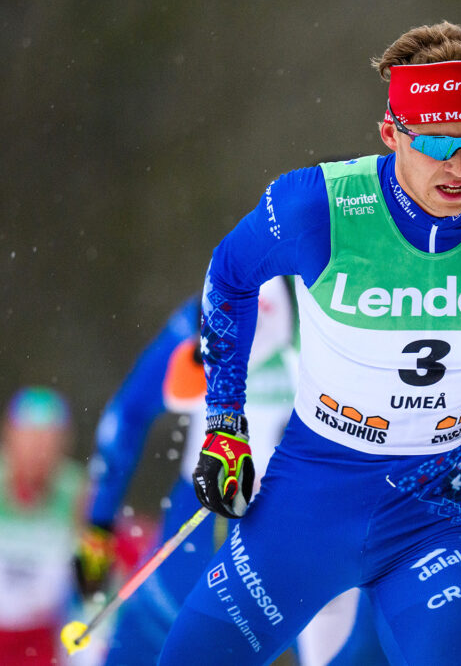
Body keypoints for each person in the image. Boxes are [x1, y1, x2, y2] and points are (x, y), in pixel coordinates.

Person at [156, 20, 461, 665]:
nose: (460, 166)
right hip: (309, 499)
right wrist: (226, 426)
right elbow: (230, 277)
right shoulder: (319, 207)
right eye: (437, 142)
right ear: (392, 133)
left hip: (434, 511)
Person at [73, 277, 303, 664]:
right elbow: (131, 411)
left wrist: (100, 520)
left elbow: (127, 413)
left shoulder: (328, 315)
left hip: (274, 521)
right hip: (204, 514)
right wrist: (98, 525)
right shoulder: (209, 306)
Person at [0, 386, 86, 665]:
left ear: (63, 445)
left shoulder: (79, 495)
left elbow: (105, 570)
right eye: (29, 437)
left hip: (37, 644)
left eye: (48, 440)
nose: (37, 450)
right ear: (8, 435)